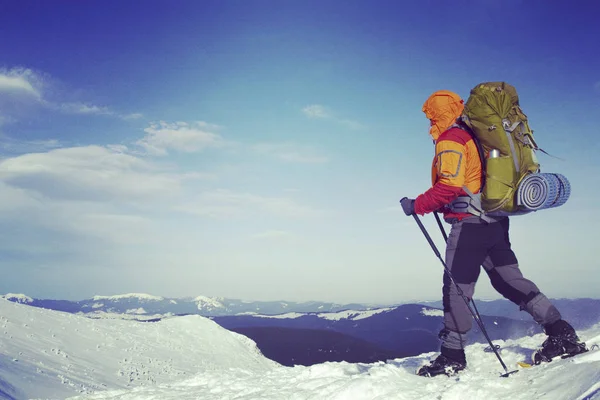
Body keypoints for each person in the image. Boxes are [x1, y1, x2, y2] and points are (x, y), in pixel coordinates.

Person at [399, 90, 587, 377]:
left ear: (436, 113)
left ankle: (452, 356)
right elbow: (472, 183)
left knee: (457, 289)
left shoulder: (452, 138)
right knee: (509, 280)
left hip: (470, 226)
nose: (428, 121)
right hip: (495, 221)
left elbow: (449, 186)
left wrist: (417, 205)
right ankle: (561, 333)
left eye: (429, 115)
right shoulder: (478, 135)